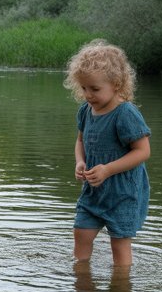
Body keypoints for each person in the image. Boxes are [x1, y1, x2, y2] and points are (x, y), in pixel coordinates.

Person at [64, 40, 151, 267]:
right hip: (93, 191)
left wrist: (108, 169)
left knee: (119, 244)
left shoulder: (125, 114)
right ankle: (82, 284)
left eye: (95, 89)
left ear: (116, 84)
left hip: (123, 192)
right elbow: (80, 141)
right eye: (83, 88)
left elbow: (143, 151)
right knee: (81, 233)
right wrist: (80, 161)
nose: (88, 95)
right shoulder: (85, 111)